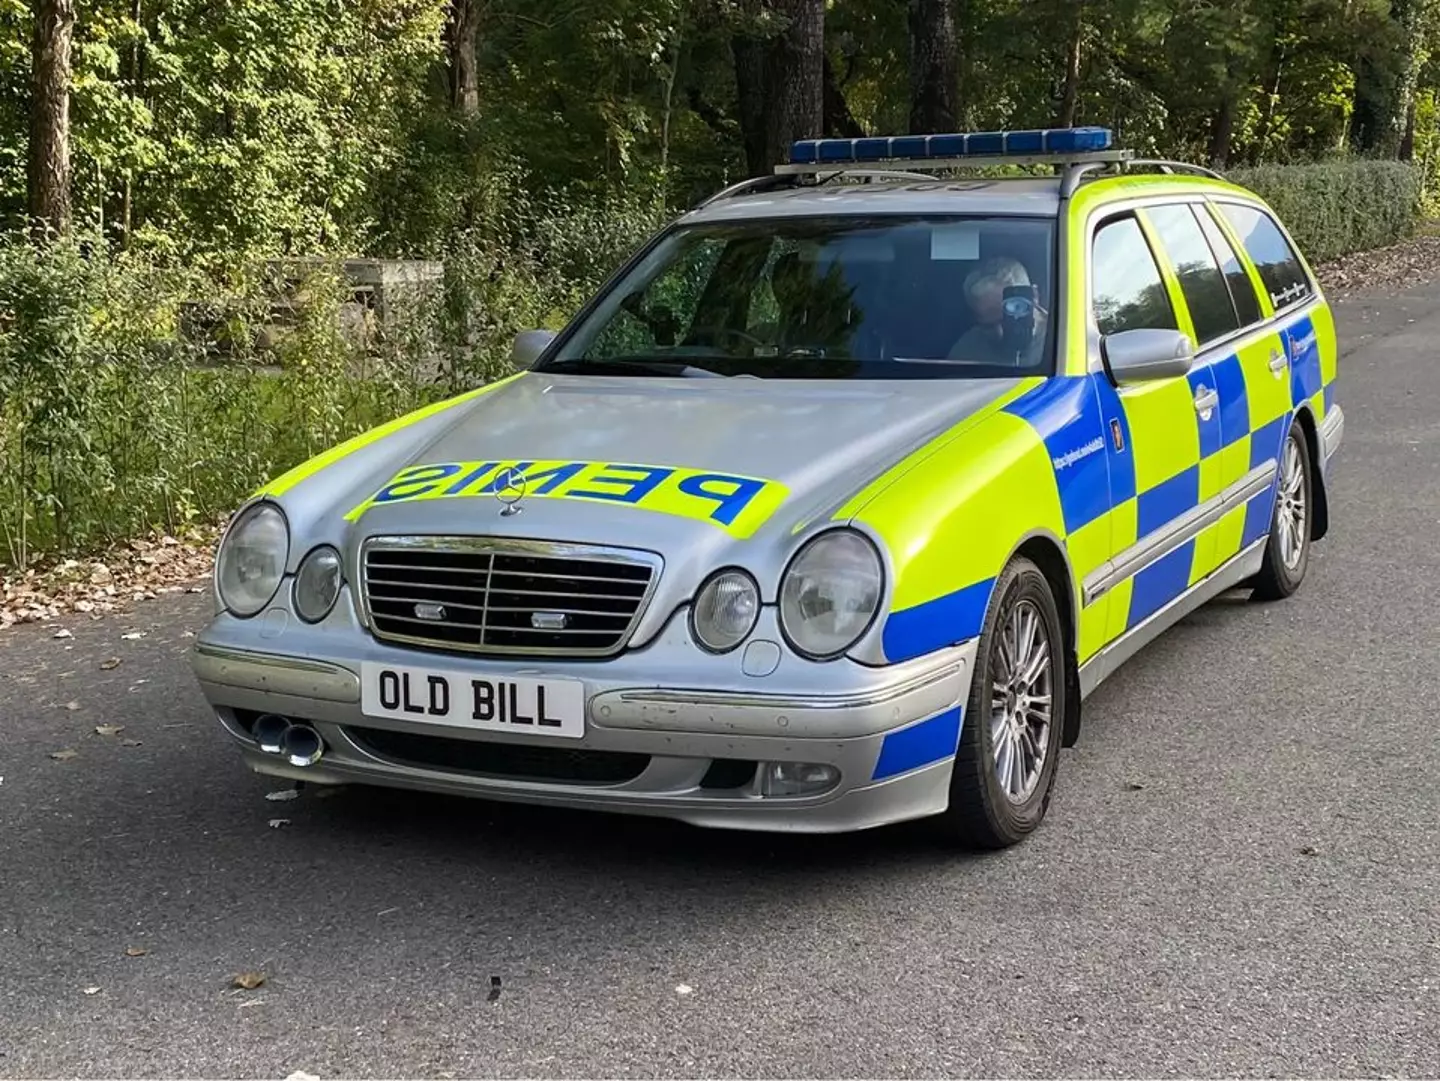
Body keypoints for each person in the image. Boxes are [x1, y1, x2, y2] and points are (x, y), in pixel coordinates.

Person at [948, 255, 1048, 365]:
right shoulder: (967, 351)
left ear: (1034, 296)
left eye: (1006, 319)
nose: (999, 333)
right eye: (988, 327)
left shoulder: (1064, 340)